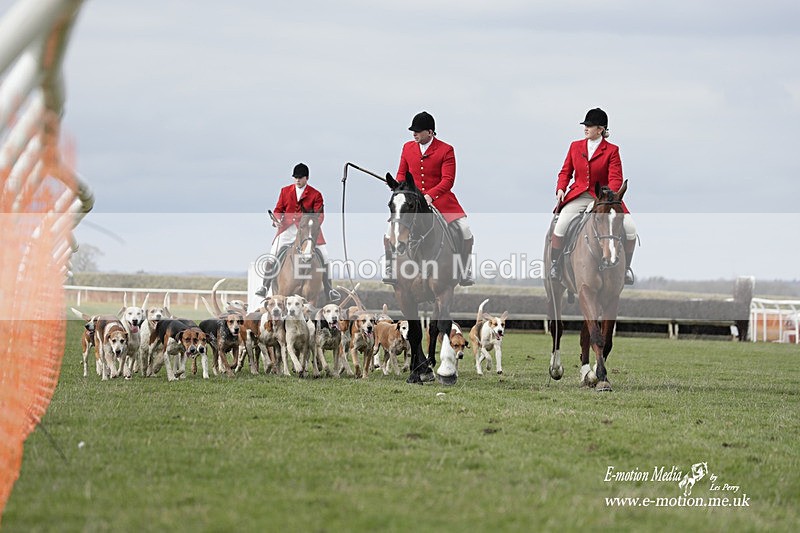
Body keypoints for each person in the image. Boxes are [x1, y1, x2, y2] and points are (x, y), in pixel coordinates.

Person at [383, 111, 474, 286]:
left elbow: (448, 180)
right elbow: (402, 172)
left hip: (440, 199)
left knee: (465, 230)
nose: (414, 134)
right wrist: (398, 187)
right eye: (413, 131)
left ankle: (464, 270)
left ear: (430, 132)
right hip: (412, 201)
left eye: (418, 131)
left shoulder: (446, 150)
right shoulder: (407, 147)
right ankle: (389, 268)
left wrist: (430, 196)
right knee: (389, 232)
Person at [549, 108, 637, 284]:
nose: (586, 128)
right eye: (586, 125)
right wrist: (561, 188)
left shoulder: (612, 150)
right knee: (562, 223)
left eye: (590, 125)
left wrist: (605, 197)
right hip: (579, 195)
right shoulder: (575, 146)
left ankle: (626, 268)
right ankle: (555, 265)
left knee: (630, 228)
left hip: (604, 200)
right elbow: (565, 171)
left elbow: (616, 178)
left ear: (601, 129)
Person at [255, 163, 340, 302]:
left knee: (325, 255)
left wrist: (311, 227)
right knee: (272, 252)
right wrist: (276, 219)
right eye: (295, 178)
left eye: (300, 178)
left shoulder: (316, 194)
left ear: (306, 178)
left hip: (308, 232)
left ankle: (329, 289)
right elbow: (278, 209)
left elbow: (320, 216)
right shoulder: (285, 191)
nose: (297, 180)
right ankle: (265, 286)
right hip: (288, 229)